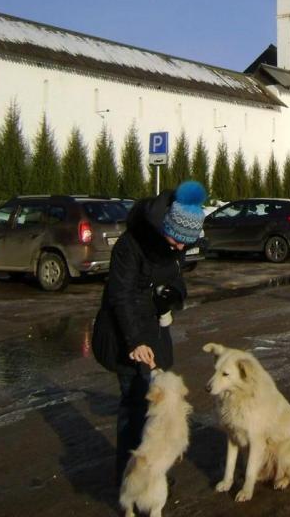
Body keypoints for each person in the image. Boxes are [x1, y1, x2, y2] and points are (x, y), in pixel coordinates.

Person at [92, 179, 206, 485]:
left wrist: (173, 295)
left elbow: (177, 280)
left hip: (156, 334)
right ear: (164, 227)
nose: (181, 248)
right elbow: (121, 296)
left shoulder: (171, 244)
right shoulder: (131, 245)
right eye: (178, 241)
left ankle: (154, 474)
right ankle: (128, 480)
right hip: (127, 337)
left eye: (186, 243)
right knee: (134, 407)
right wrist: (135, 341)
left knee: (156, 410)